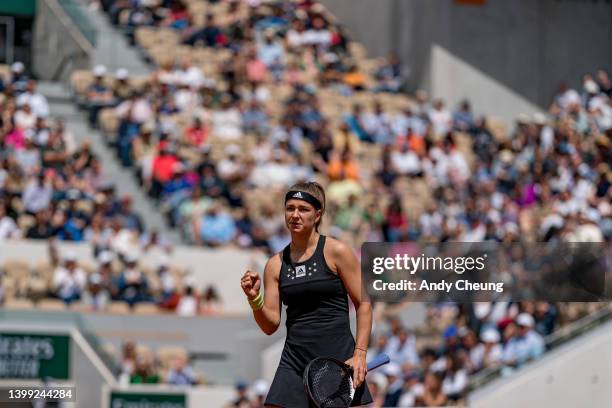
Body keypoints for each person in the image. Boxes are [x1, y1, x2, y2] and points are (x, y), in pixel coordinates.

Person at [240, 181, 373, 407]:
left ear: (318, 215)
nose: (295, 215)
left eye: (303, 209)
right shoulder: (275, 264)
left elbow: (364, 304)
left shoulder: (336, 252)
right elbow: (270, 325)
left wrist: (360, 353)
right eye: (290, 208)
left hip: (336, 359)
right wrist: (255, 298)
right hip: (295, 360)